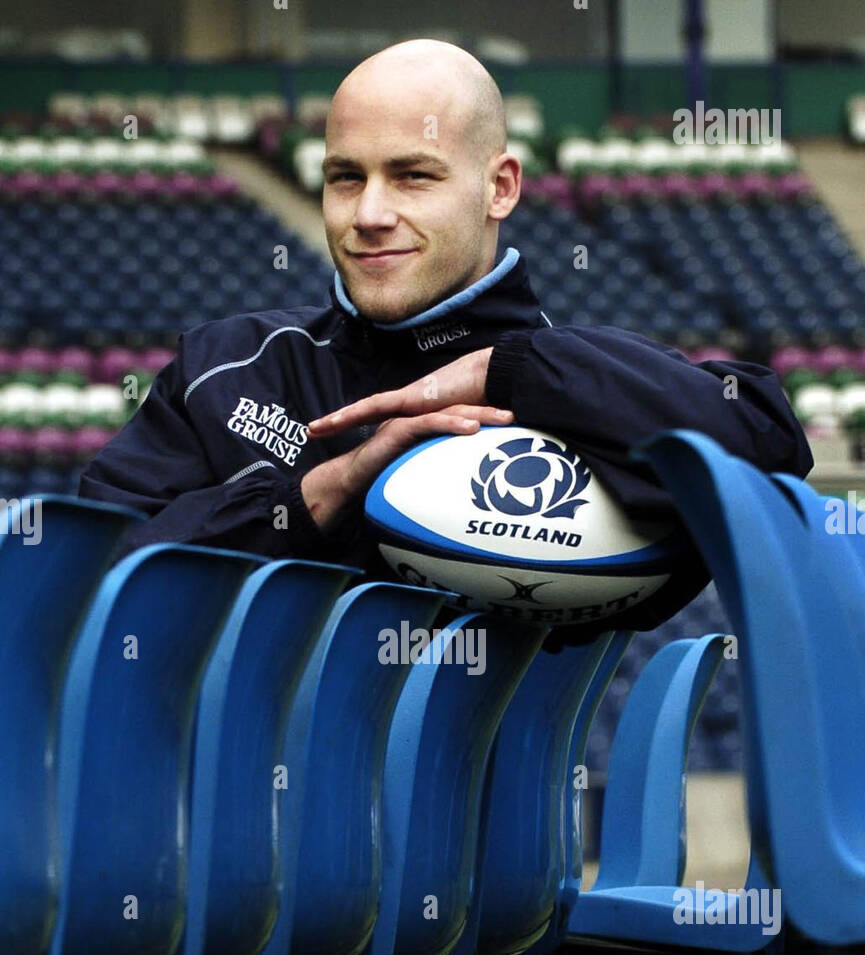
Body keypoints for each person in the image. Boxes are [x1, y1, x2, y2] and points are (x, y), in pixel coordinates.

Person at [79, 38, 812, 640]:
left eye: (412, 176)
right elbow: (89, 587)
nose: (368, 212)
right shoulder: (227, 367)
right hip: (214, 811)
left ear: (499, 187)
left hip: (464, 815)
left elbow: (767, 444)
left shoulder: (580, 394)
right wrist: (325, 490)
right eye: (344, 177)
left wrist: (507, 370)